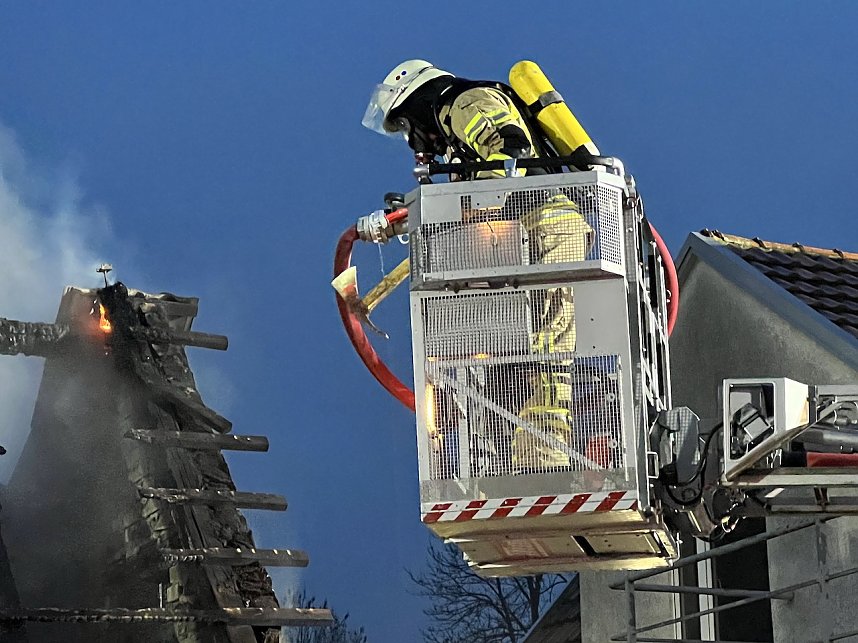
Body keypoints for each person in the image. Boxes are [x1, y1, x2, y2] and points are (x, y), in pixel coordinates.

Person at [363, 60, 595, 478]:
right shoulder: (456, 124)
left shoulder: (466, 102)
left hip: (545, 226)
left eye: (406, 125)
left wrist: (470, 205)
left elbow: (508, 148)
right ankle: (516, 453)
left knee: (545, 347)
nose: (413, 139)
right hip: (519, 237)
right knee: (509, 348)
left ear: (418, 100)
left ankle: (543, 458)